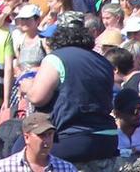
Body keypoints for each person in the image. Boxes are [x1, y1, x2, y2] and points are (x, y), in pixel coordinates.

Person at [18, 16, 119, 164]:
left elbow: (37, 97)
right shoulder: (103, 61)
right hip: (108, 139)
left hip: (74, 138)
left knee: (17, 152)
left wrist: (27, 87)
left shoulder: (56, 58)